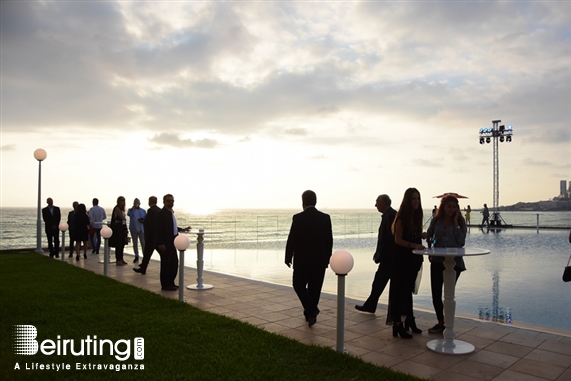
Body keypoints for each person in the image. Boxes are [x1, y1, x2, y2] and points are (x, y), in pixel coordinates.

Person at [285, 190, 333, 327]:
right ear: (315, 201)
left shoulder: (298, 218)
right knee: (315, 288)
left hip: (302, 260)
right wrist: (328, 257)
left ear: (303, 202)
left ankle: (311, 310)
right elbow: (329, 240)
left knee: (298, 285)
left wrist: (288, 256)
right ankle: (310, 313)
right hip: (320, 260)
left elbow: (292, 239)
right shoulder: (325, 218)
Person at [426, 195, 467, 333]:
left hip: (454, 262)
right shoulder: (436, 220)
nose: (451, 209)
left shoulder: (460, 222)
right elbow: (430, 235)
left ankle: (449, 324)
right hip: (437, 260)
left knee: (448, 294)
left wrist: (455, 223)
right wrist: (430, 248)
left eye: (454, 207)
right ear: (443, 207)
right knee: (435, 294)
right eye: (449, 206)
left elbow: (461, 241)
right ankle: (441, 322)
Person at [389, 188, 426, 339]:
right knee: (399, 293)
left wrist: (422, 236)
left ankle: (409, 320)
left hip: (413, 260)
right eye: (413, 199)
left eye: (418, 198)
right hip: (402, 259)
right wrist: (414, 245)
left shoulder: (416, 217)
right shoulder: (402, 218)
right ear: (407, 200)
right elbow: (398, 240)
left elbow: (414, 236)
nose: (416, 201)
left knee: (407, 291)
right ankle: (397, 323)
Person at [355, 194, 396, 314]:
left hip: (389, 257)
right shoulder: (389, 215)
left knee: (379, 281)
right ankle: (371, 305)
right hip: (388, 256)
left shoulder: (390, 216)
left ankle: (371, 305)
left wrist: (381, 254)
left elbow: (388, 239)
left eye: (377, 202)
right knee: (381, 282)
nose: (375, 205)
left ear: (384, 202)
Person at [156, 194, 191, 290]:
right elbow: (158, 229)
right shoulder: (161, 213)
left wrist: (182, 229)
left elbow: (172, 227)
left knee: (173, 263)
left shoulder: (170, 212)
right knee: (166, 264)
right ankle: (165, 285)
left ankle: (171, 282)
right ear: (164, 202)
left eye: (172, 201)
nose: (171, 203)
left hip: (173, 242)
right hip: (166, 243)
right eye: (168, 201)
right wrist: (161, 243)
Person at [134, 196, 161, 275]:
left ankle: (143, 268)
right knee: (147, 253)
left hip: (151, 237)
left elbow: (152, 223)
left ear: (149, 202)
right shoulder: (159, 210)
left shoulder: (151, 210)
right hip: (154, 236)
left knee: (148, 253)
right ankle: (143, 268)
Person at [109, 196, 128, 266]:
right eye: (121, 200)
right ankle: (118, 259)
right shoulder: (117, 208)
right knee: (118, 244)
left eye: (123, 201)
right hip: (118, 228)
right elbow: (121, 217)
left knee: (122, 243)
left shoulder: (122, 209)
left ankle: (121, 258)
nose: (122, 202)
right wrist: (124, 219)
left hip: (122, 227)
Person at [127, 198, 146, 264]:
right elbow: (128, 214)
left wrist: (142, 221)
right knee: (135, 243)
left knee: (143, 243)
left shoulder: (143, 211)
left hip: (141, 229)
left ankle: (145, 256)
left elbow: (146, 219)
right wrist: (132, 208)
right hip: (133, 229)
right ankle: (136, 256)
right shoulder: (131, 210)